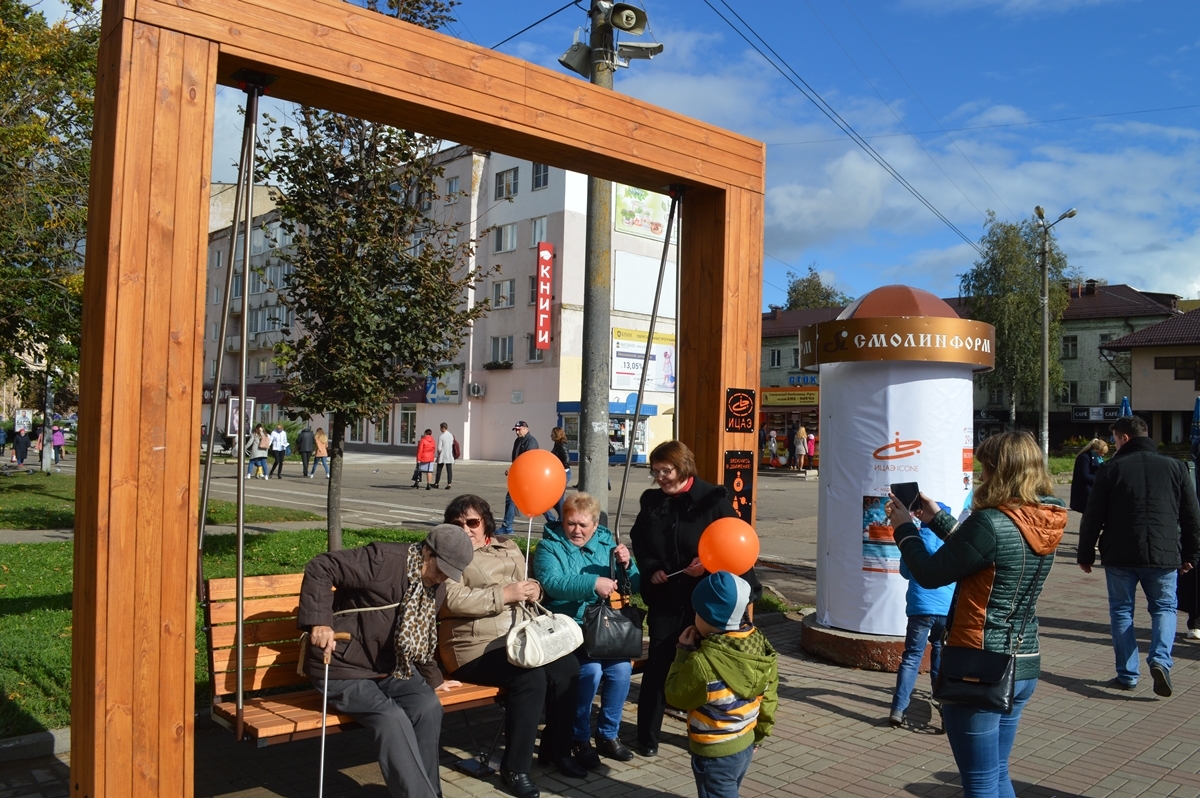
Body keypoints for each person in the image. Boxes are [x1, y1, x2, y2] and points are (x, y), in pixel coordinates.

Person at [885, 430, 1065, 798]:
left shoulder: (991, 523)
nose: (982, 477)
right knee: (997, 772)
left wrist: (904, 527)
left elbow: (931, 573)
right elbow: (984, 553)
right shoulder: (1045, 517)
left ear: (1002, 472)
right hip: (1023, 661)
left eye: (986, 469)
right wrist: (936, 518)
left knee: (980, 782)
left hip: (979, 665)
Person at [298, 524, 474, 798]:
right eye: (440, 568)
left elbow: (422, 636)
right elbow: (322, 566)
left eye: (449, 574)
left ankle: (429, 793)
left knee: (428, 706)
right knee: (390, 718)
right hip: (343, 667)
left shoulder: (435, 588)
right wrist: (319, 621)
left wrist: (434, 680)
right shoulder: (383, 561)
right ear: (426, 550)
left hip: (390, 668)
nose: (441, 578)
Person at [438, 494, 583, 798]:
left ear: (486, 521)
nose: (466, 529)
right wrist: (503, 595)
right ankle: (514, 768)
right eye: (458, 523)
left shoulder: (509, 546)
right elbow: (449, 599)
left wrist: (534, 589)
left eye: (472, 522)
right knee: (529, 678)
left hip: (519, 638)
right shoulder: (449, 555)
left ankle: (556, 750)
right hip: (473, 647)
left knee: (568, 668)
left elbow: (526, 584)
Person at [629, 440, 763, 758]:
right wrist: (652, 569)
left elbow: (732, 539)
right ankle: (647, 736)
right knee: (660, 665)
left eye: (666, 470)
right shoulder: (652, 502)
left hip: (708, 599)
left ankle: (726, 731)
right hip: (667, 597)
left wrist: (707, 562)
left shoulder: (712, 499)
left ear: (683, 467)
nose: (660, 477)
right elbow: (640, 540)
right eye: (656, 471)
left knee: (714, 665)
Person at [1077, 415, 1200, 695]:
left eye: (1115, 438)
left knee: (1122, 611)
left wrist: (1085, 554)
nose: (1113, 444)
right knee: (1164, 609)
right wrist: (1192, 553)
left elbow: (1093, 516)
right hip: (1165, 553)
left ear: (1125, 438)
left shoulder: (1111, 470)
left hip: (1120, 554)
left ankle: (1127, 674)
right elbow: (1192, 516)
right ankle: (1160, 660)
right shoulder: (1176, 467)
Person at [535, 492, 641, 768]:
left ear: (595, 524)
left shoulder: (607, 542)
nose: (577, 530)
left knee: (621, 670)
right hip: (569, 629)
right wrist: (593, 583)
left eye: (583, 525)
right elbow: (551, 583)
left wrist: (627, 565)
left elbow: (635, 584)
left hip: (603, 628)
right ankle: (578, 738)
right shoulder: (550, 547)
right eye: (571, 523)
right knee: (590, 672)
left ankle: (608, 734)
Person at [665, 571, 778, 798]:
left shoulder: (702, 662)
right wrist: (760, 735)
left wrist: (682, 654)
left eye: (698, 612)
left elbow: (675, 695)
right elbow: (769, 699)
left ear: (710, 618)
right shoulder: (762, 648)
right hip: (745, 742)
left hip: (713, 751)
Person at [889, 502, 954, 729]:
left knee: (912, 657)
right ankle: (946, 710)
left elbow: (906, 572)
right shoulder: (952, 543)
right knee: (941, 655)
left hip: (919, 608)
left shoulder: (914, 539)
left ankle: (898, 709)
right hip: (945, 610)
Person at [499, 421, 539, 535]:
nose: (517, 432)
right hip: (519, 475)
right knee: (513, 499)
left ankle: (507, 526)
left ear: (526, 429)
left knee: (532, 499)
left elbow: (528, 461)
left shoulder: (531, 442)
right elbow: (516, 459)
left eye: (519, 429)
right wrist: (512, 469)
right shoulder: (518, 441)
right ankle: (507, 525)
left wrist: (517, 470)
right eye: (516, 430)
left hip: (527, 476)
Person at [1069, 438, 1108, 513]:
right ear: (1095, 450)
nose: (1102, 455)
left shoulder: (1098, 458)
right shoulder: (1084, 458)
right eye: (1101, 452)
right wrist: (1101, 479)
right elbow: (1085, 476)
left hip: (1094, 489)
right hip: (1085, 491)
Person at [545, 426, 570, 523]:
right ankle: (562, 517)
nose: (550, 435)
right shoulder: (557, 444)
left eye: (552, 433)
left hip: (563, 473)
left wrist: (561, 470)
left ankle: (563, 519)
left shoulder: (562, 445)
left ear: (556, 435)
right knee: (554, 498)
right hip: (558, 473)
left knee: (558, 497)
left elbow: (566, 461)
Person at [434, 422, 455, 490]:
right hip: (449, 454)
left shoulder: (441, 436)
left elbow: (439, 447)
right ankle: (449, 483)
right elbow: (452, 444)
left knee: (439, 469)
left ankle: (436, 483)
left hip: (443, 455)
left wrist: (438, 452)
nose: (440, 429)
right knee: (449, 470)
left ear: (443, 428)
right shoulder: (451, 435)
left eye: (440, 428)